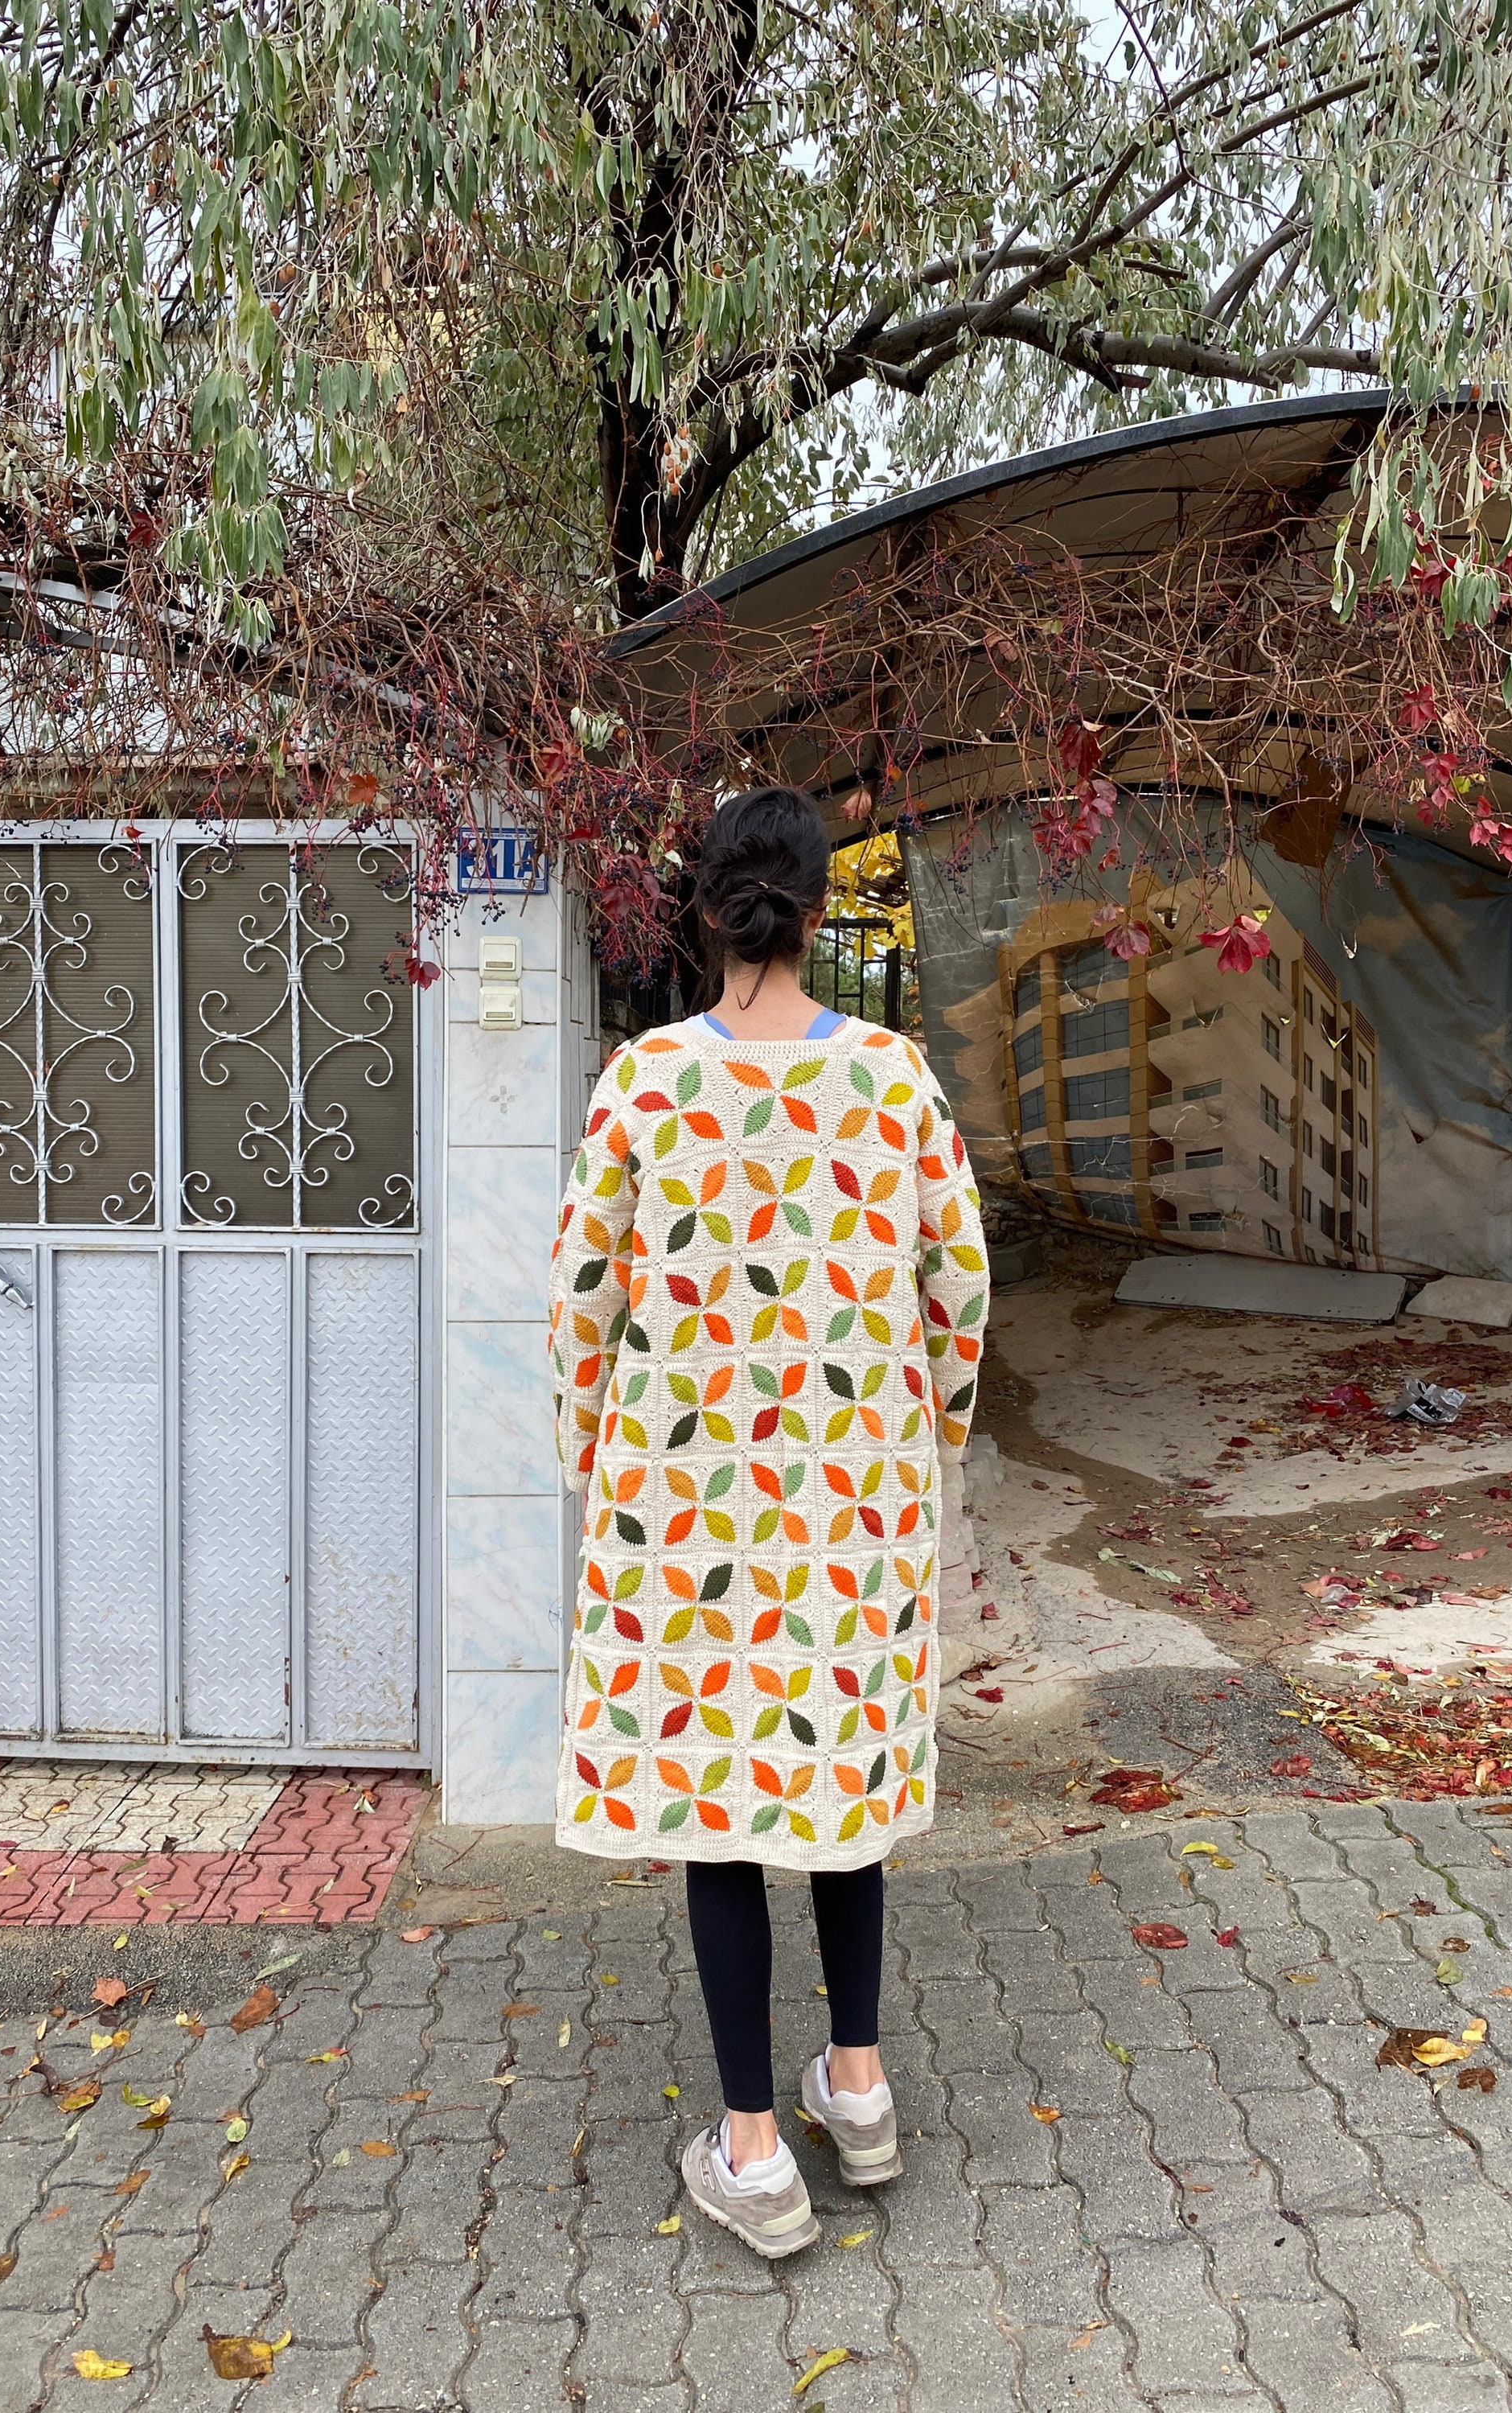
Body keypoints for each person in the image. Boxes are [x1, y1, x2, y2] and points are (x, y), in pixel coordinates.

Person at [547, 785, 989, 2257]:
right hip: (848, 1504)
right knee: (841, 1793)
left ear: (701, 906)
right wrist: (925, 1439)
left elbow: (582, 1302)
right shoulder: (892, 1079)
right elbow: (960, 1292)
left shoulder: (642, 1084)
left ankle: (752, 2152)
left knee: (715, 1813)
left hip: (685, 1509)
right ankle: (854, 2091)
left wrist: (590, 1459)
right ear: (817, 906)